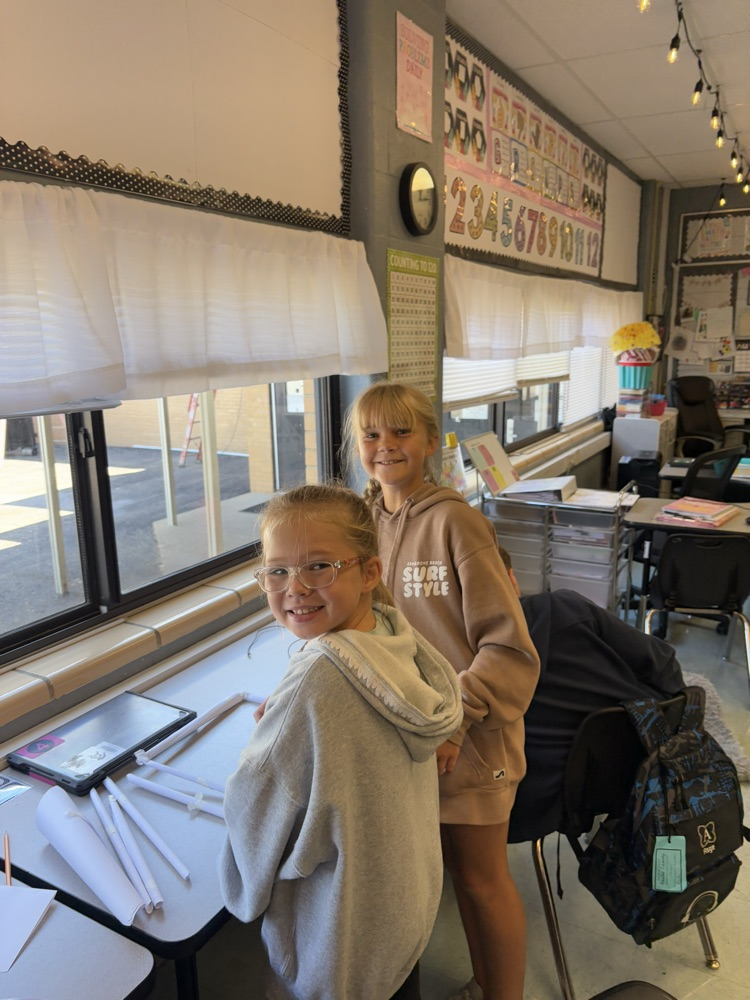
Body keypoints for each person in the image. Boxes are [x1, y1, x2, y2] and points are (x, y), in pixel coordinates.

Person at [217, 483, 462, 1000]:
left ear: (370, 572)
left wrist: (282, 725)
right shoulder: (392, 635)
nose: (295, 587)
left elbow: (253, 819)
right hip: (396, 920)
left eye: (319, 567)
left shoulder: (319, 679)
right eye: (278, 570)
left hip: (341, 947)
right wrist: (292, 719)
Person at [343, 382, 540, 1000]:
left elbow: (508, 650)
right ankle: (484, 983)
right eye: (372, 434)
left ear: (431, 441)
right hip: (411, 738)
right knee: (451, 874)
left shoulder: (458, 522)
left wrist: (454, 723)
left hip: (471, 739)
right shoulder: (363, 522)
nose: (386, 446)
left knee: (482, 879)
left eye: (401, 432)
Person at [496, 547, 686, 843]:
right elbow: (664, 665)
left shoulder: (460, 658)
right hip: (642, 776)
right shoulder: (565, 608)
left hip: (532, 803)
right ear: (512, 577)